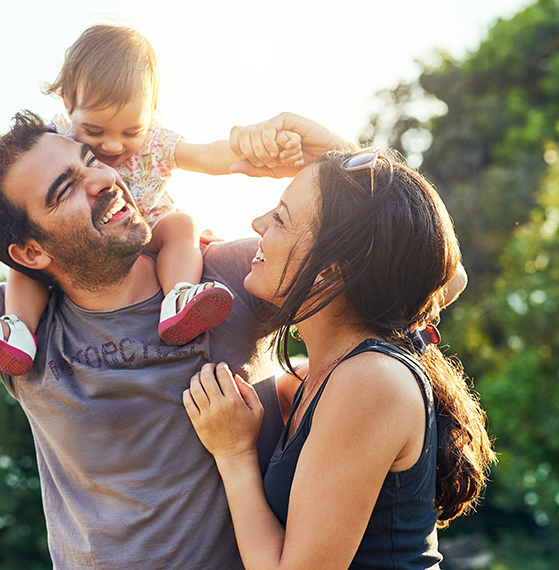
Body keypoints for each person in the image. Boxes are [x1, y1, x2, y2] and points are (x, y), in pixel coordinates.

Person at [0, 91, 329, 568]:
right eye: (66, 190)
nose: (104, 179)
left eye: (91, 162)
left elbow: (387, 257)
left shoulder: (232, 279)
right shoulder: (17, 331)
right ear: (31, 253)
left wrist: (332, 150)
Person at [0, 24, 302, 375]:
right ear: (67, 103)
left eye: (131, 130)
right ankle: (18, 329)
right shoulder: (56, 140)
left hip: (147, 229)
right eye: (94, 130)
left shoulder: (155, 143)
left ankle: (179, 296)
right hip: (86, 242)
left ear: (151, 113)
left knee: (182, 225)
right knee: (31, 259)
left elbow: (205, 155)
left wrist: (255, 151)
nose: (113, 145)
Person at [183, 137, 495, 568]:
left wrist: (234, 455)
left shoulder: (370, 382)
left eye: (281, 218)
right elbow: (432, 267)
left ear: (329, 270)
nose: (257, 223)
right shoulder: (319, 378)